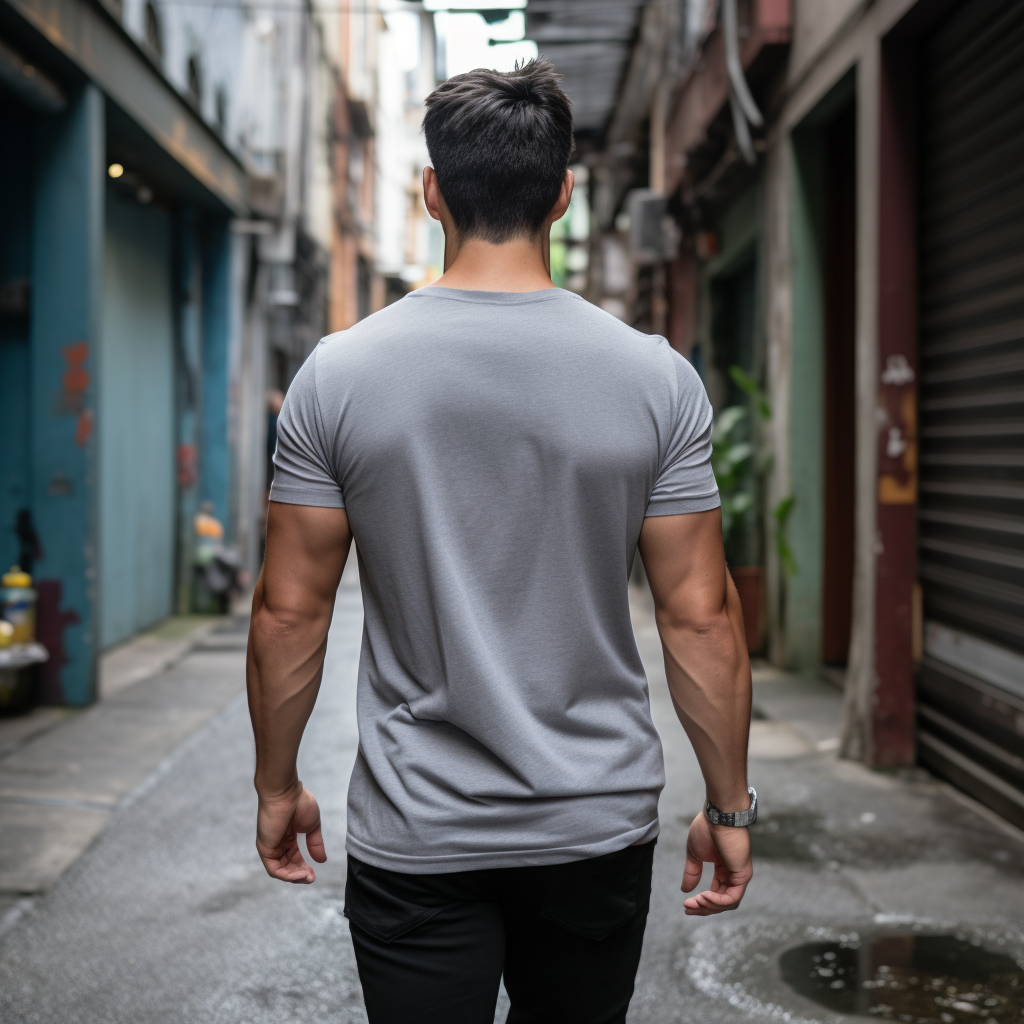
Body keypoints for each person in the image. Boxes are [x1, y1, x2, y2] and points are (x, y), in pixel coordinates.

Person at [247, 59, 753, 1024]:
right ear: (564, 192)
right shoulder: (656, 380)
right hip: (593, 824)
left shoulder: (337, 376)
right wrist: (729, 807)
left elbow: (289, 610)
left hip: (417, 824)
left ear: (431, 190)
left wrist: (277, 784)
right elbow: (701, 620)